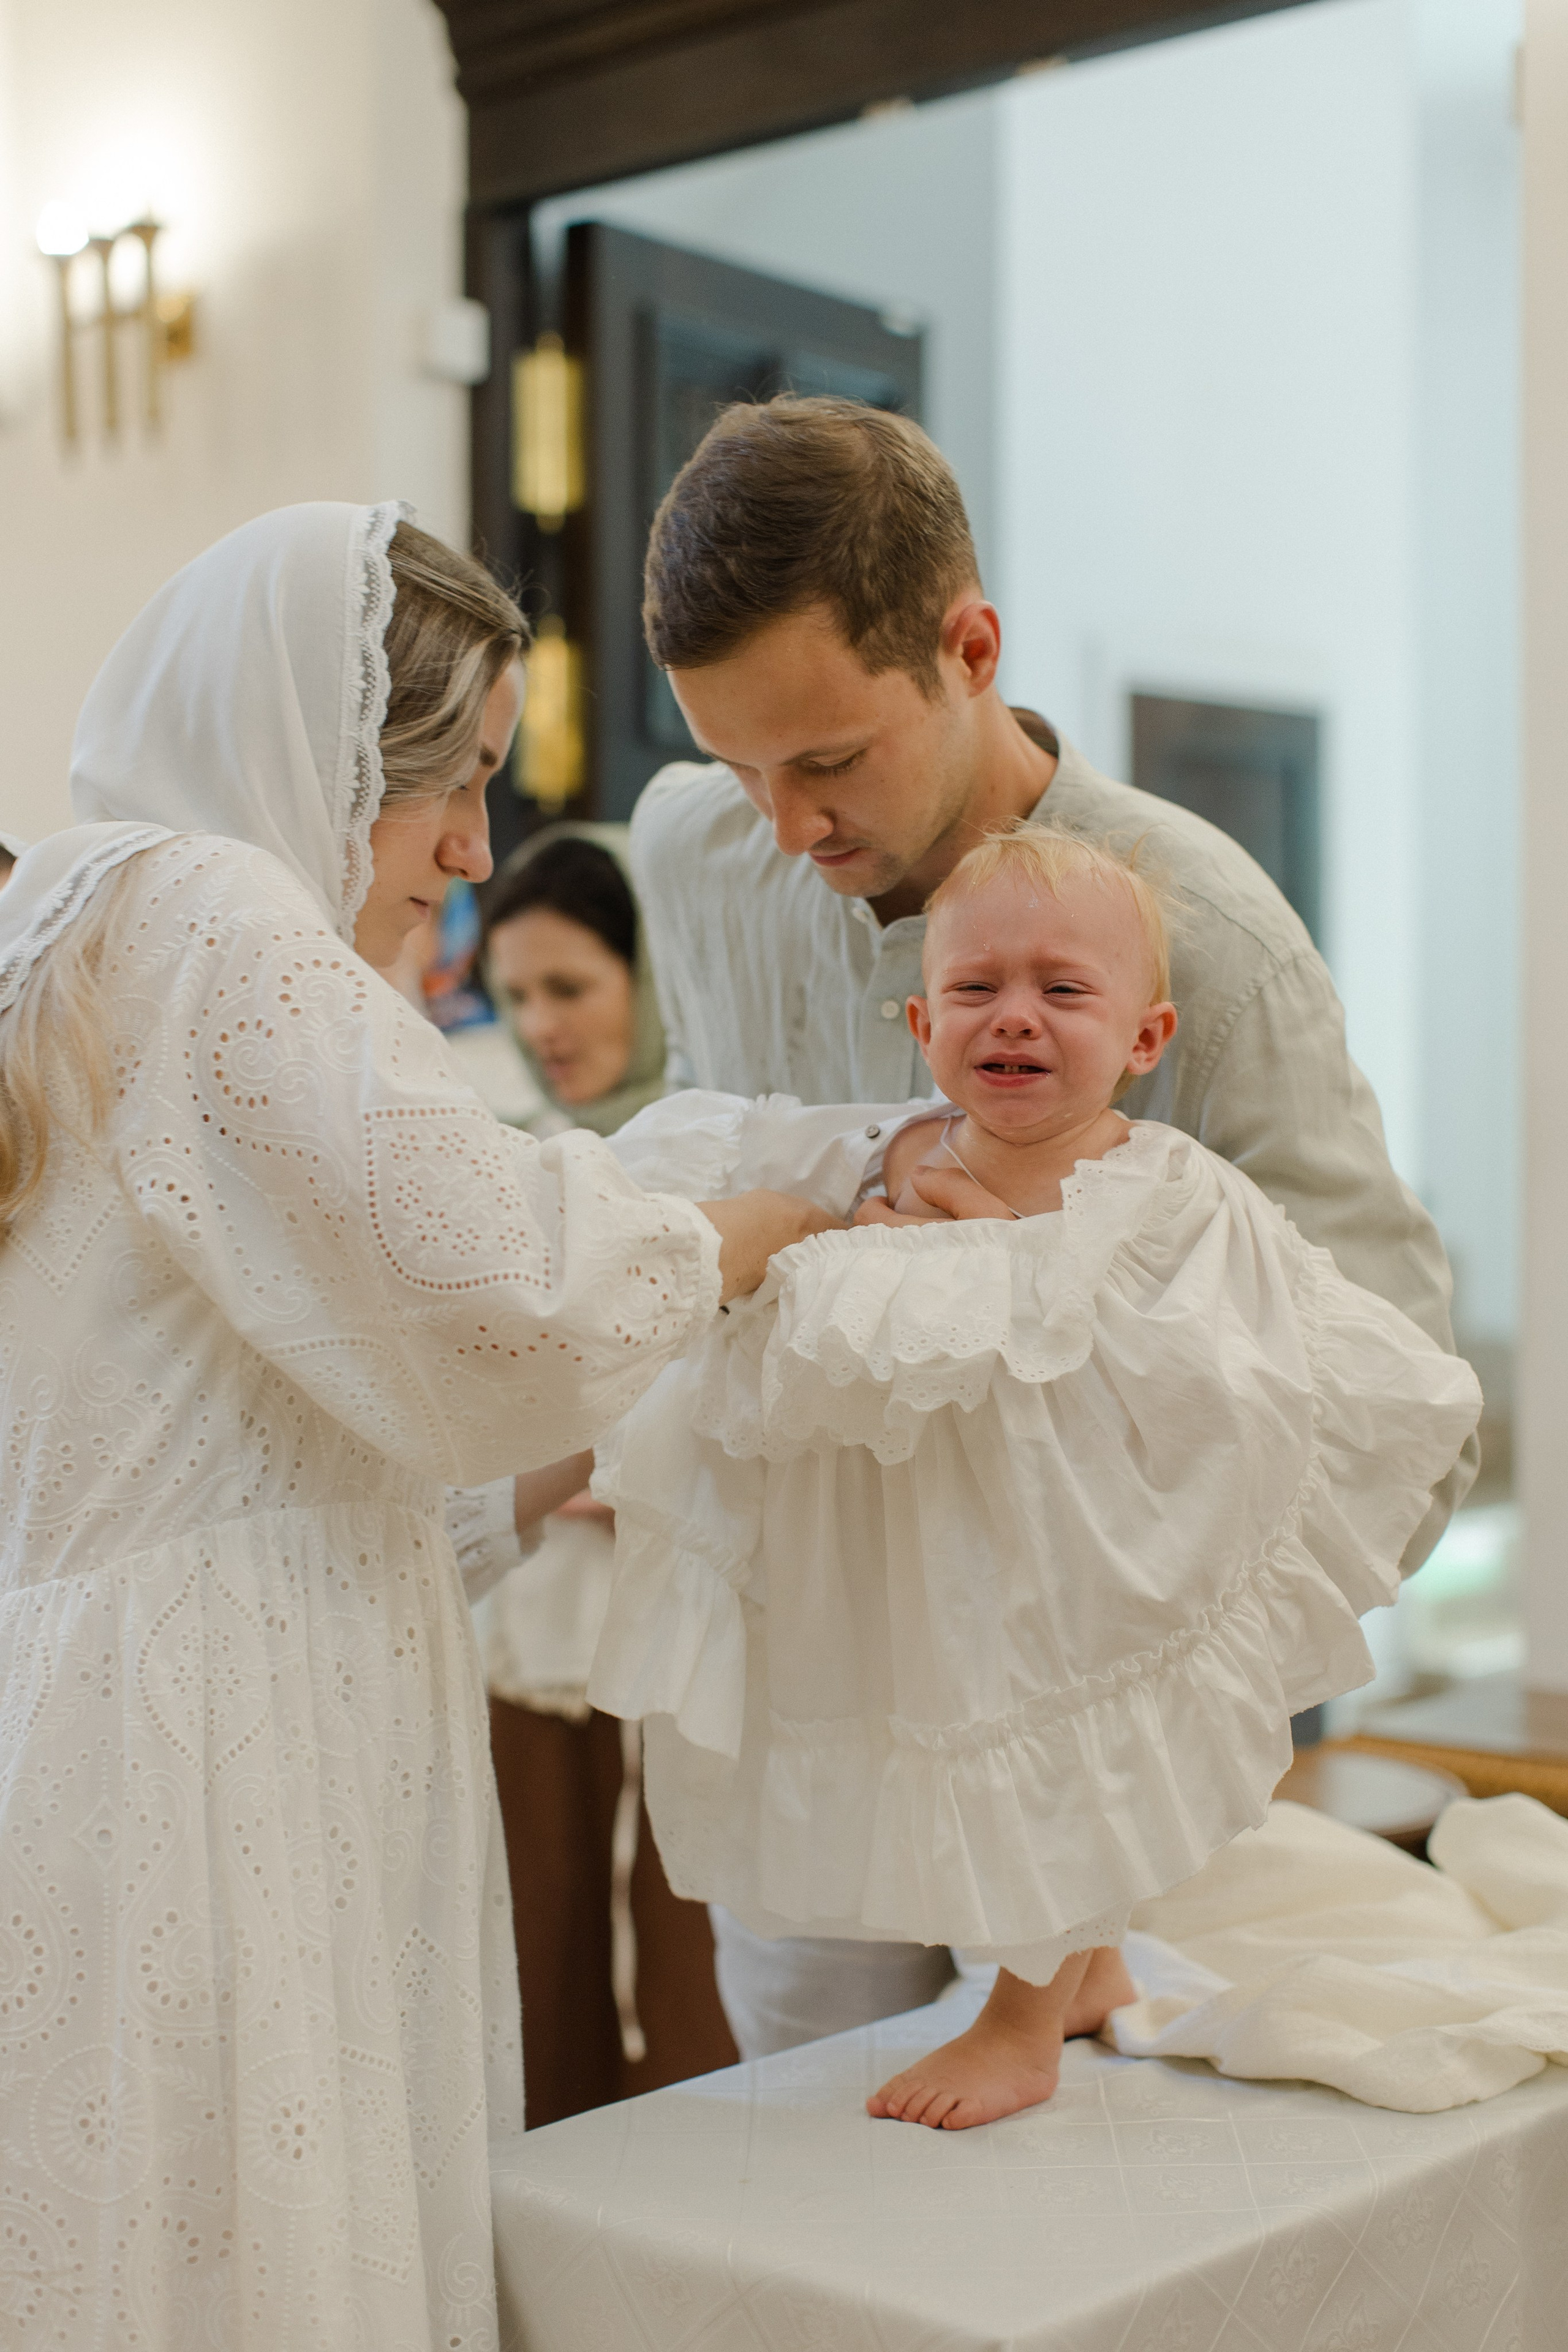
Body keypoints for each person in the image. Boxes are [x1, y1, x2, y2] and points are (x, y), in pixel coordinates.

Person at [0, 503, 826, 2349]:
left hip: (104, 1699)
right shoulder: (217, 911)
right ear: (315, 752)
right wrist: (749, 1234)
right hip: (229, 1726)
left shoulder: (68, 915)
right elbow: (509, 1287)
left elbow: (301, 1392)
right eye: (449, 784)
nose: (469, 850)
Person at [630, 393, 1480, 2060]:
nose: (787, 830)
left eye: (828, 760)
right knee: (788, 2181)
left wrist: (1064, 1302)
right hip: (803, 1682)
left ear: (969, 645)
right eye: (741, 764)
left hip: (1075, 1746)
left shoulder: (1205, 934)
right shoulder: (697, 849)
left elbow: (1404, 1418)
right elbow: (695, 1115)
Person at [586, 823, 1481, 2129]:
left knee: (1065, 1746)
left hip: (1089, 1543)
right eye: (974, 990)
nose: (1015, 1018)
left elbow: (1244, 1352)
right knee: (958, 1754)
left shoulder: (1163, 1188)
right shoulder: (894, 1173)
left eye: (1062, 991)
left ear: (1143, 1038)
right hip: (942, 1553)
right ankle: (1084, 1962)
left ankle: (1019, 2016)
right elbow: (759, 1267)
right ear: (917, 1017)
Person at [473, 826, 737, 2122]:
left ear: (649, 977)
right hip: (526, 1642)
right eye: (515, 996)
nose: (541, 1027)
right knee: (535, 1994)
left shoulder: (725, 1163)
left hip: (676, 1652)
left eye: (570, 987)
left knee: (684, 2014)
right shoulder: (500, 1162)